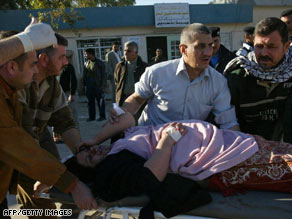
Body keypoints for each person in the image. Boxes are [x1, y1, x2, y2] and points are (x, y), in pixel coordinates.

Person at [38, 113, 292, 217]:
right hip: (223, 161)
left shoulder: (114, 145)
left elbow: (126, 118)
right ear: (94, 170)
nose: (93, 151)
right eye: (90, 157)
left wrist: (94, 138)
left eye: (87, 151)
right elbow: (151, 178)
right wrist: (167, 142)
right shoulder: (115, 165)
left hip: (230, 142)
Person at [0, 21, 97, 215]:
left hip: (32, 149)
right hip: (24, 152)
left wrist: (80, 150)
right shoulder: (13, 90)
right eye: (32, 63)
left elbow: (63, 120)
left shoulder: (47, 85)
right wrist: (71, 183)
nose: (66, 62)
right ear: (11, 67)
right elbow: (20, 145)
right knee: (42, 208)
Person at [110, 23, 239, 131]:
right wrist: (120, 112)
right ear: (183, 50)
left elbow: (228, 122)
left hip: (189, 149)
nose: (208, 53)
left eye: (210, 46)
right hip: (149, 143)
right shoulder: (156, 73)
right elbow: (137, 99)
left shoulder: (218, 82)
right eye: (200, 47)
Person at [224, 17, 292, 143]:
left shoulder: (290, 75)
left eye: (271, 47)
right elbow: (227, 125)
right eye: (259, 46)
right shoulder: (238, 77)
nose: (264, 53)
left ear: (286, 46)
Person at [114, 41, 148, 106]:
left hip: (138, 100)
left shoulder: (144, 67)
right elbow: (117, 82)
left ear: (136, 52)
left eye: (129, 51)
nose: (126, 53)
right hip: (123, 99)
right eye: (124, 50)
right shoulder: (120, 66)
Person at [83, 48, 106, 122]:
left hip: (98, 85)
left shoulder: (100, 63)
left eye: (86, 54)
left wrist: (102, 85)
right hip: (89, 86)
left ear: (91, 54)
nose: (85, 55)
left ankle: (102, 116)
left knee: (100, 101)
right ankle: (91, 117)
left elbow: (103, 75)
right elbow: (84, 75)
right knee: (90, 102)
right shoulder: (86, 63)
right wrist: (84, 85)